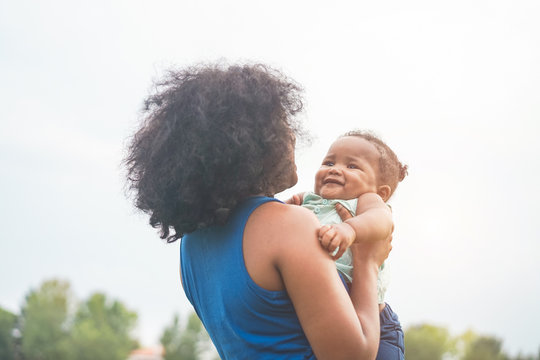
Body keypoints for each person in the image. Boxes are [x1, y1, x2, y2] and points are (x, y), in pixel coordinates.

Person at [124, 63, 393, 360]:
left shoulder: (190, 250)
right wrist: (368, 260)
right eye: (282, 125)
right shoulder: (289, 225)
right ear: (250, 142)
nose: (292, 135)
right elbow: (352, 356)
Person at [287, 131, 408, 359]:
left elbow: (383, 222)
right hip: (329, 308)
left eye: (352, 166)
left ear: (381, 192)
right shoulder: (310, 201)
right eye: (329, 162)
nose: (335, 169)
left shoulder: (366, 202)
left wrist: (350, 229)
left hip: (378, 326)